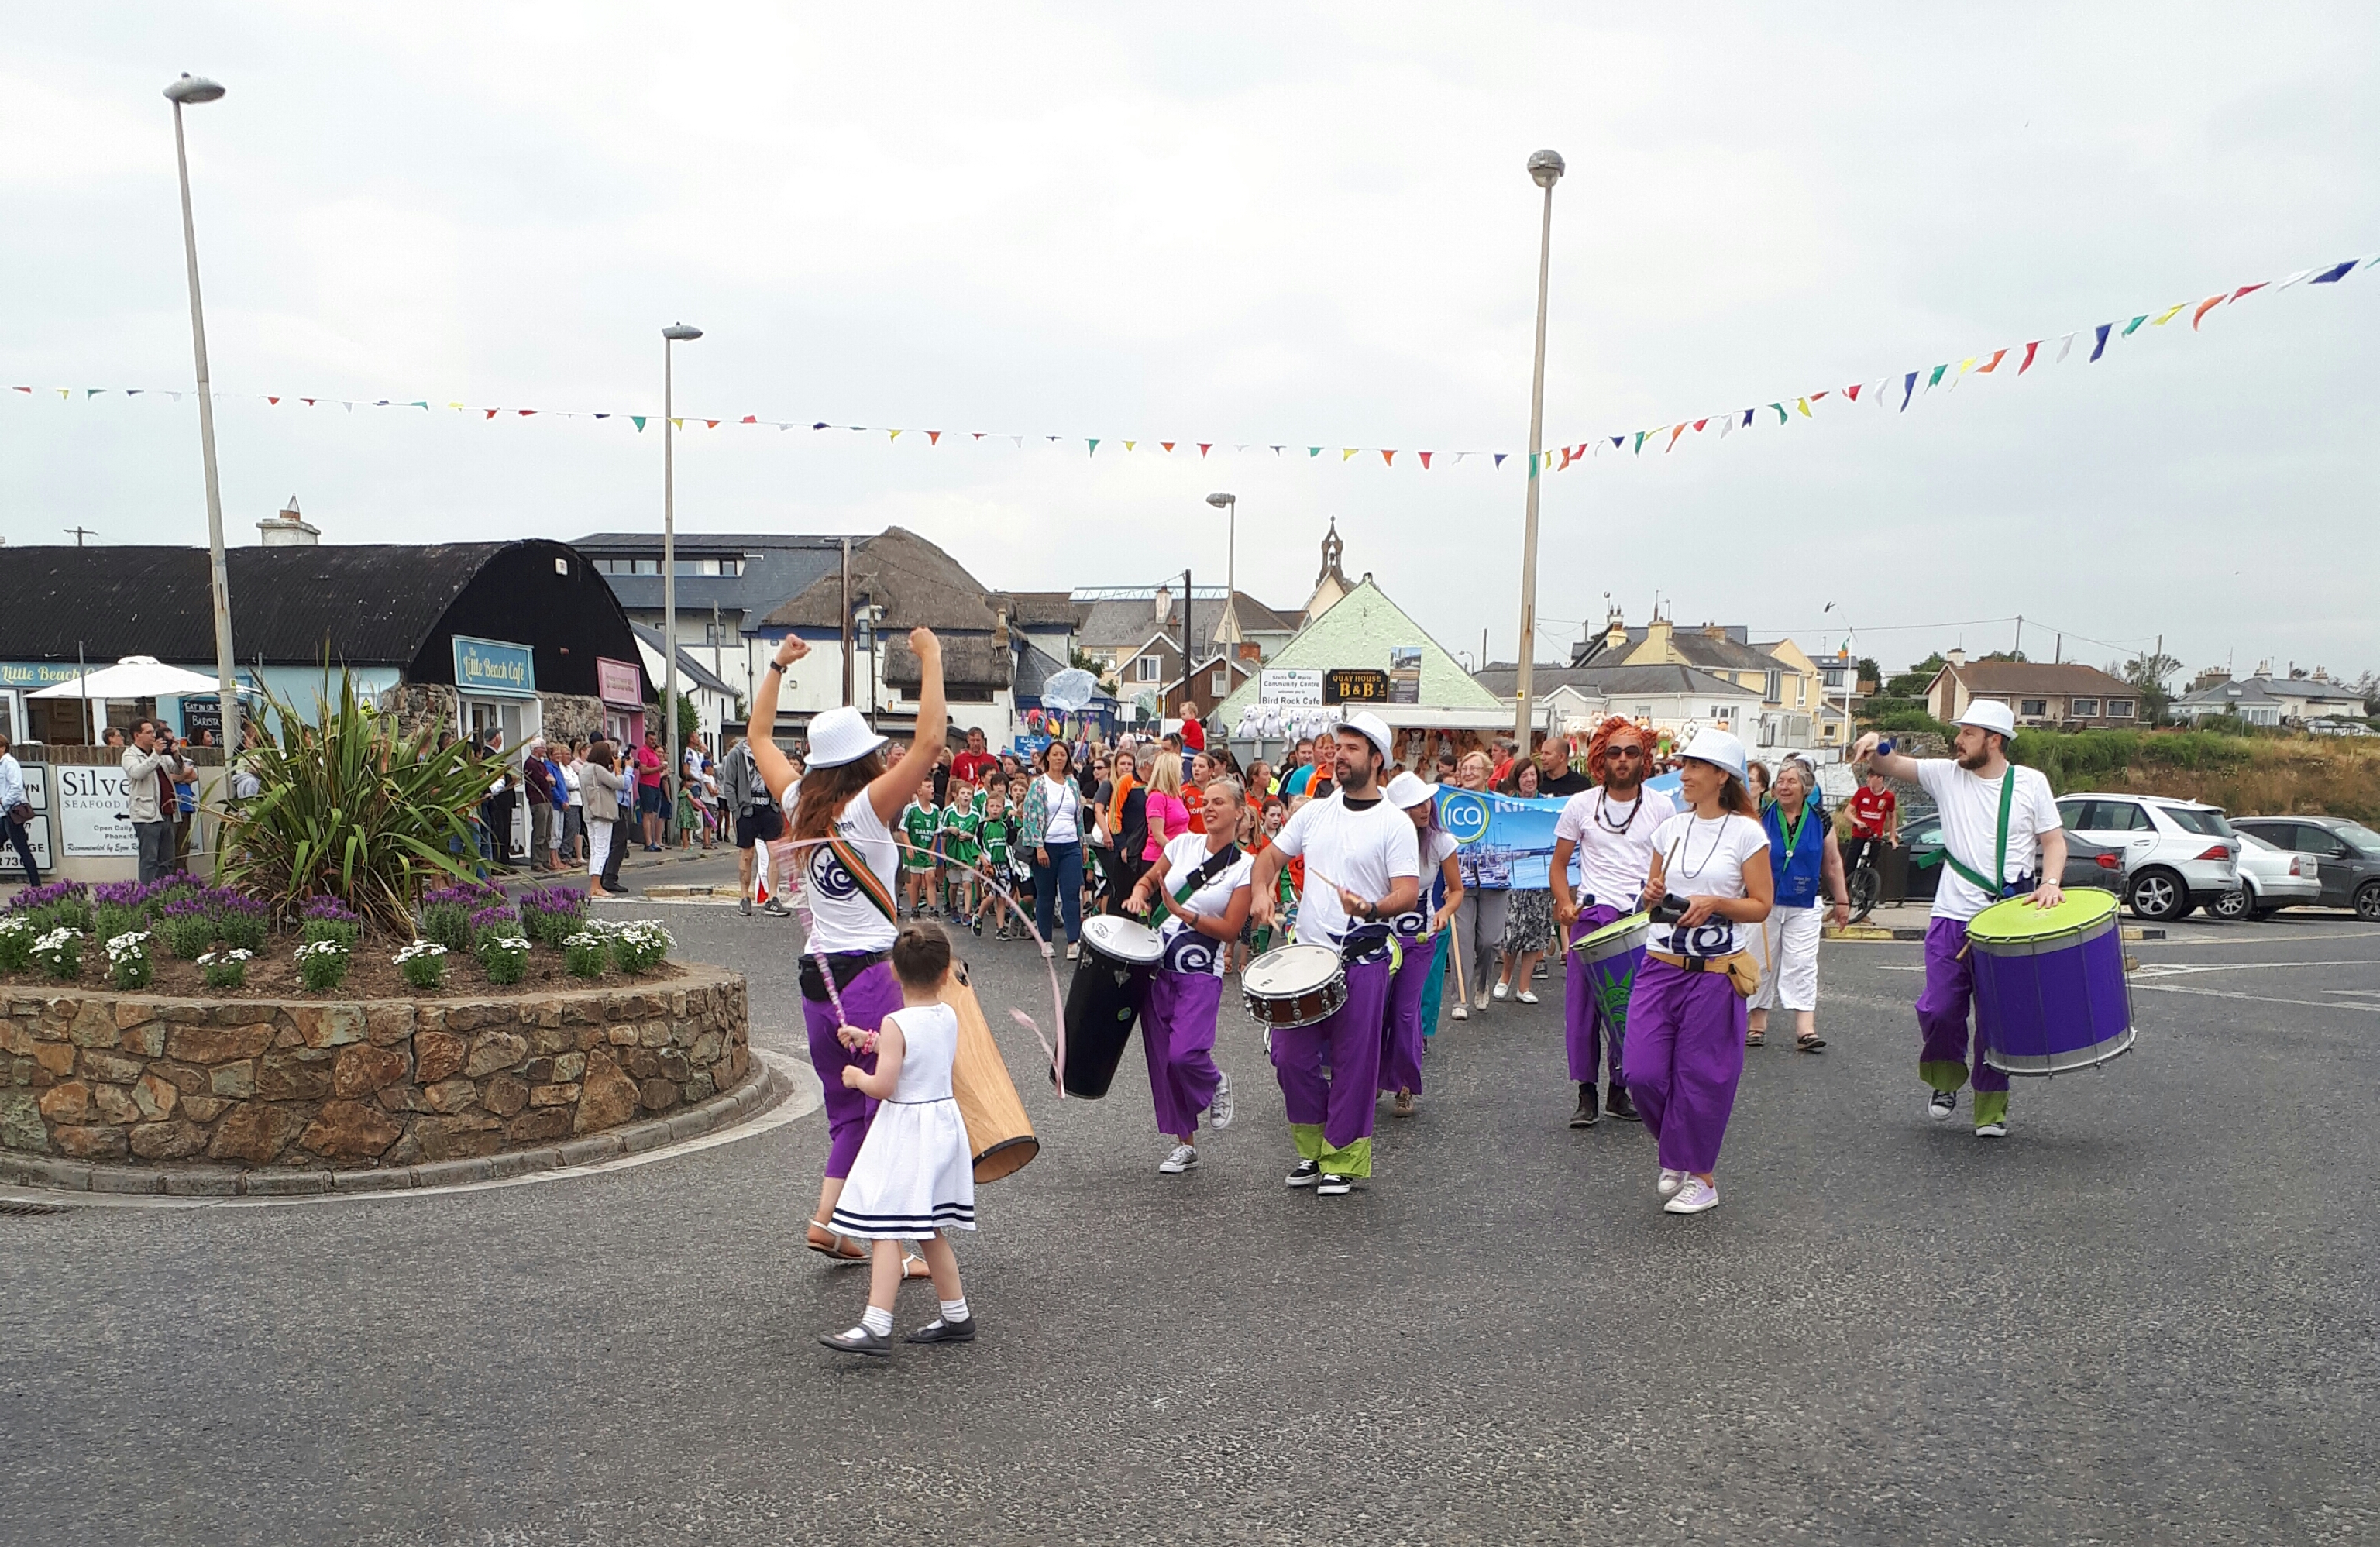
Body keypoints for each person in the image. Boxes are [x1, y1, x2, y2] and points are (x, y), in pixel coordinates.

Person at [748, 627, 947, 1276]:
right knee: (895, 1108)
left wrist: (777, 665)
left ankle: (826, 1221)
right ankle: (906, 1246)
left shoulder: (797, 802)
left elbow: (756, 739)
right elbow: (930, 744)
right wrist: (931, 658)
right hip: (871, 979)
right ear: (864, 756)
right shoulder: (865, 811)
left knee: (848, 1114)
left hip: (817, 981)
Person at [1853, 702, 2065, 1139]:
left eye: (1967, 733)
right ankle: (1946, 1081)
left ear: (1994, 739)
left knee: (1997, 1020)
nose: (1957, 741)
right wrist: (1875, 747)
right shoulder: (1946, 774)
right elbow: (1892, 762)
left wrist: (2051, 882)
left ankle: (1991, 1109)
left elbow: (2053, 841)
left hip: (2007, 920)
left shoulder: (2030, 783)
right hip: (1951, 915)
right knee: (1939, 1007)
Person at [1247, 711, 1420, 1197]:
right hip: (1308, 956)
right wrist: (1262, 891)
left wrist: (1370, 907)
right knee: (1288, 1056)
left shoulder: (1394, 824)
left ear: (1377, 759)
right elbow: (1269, 858)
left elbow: (1406, 893)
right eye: (1337, 746)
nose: (1338, 755)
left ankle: (1341, 1157)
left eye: (1351, 748)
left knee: (1353, 1061)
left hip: (1364, 956)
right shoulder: (1315, 812)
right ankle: (1313, 1147)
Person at [1622, 727, 1773, 1216]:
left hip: (1716, 971)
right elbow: (1654, 897)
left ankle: (1701, 1178)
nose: (1683, 774)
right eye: (1683, 766)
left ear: (1720, 776)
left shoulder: (1748, 833)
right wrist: (1650, 899)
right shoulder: (1670, 829)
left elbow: (1761, 906)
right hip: (1660, 963)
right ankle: (1676, 1146)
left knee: (1700, 1075)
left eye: (1694, 767)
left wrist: (1716, 904)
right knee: (1641, 1072)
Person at [818, 921, 981, 1356]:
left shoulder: (895, 1022)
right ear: (945, 972)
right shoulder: (946, 1014)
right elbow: (918, 1052)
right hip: (941, 1126)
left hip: (908, 1131)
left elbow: (886, 1085)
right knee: (927, 1229)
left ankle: (876, 1325)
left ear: (893, 971)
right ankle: (956, 1313)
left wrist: (855, 1076)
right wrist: (870, 1041)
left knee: (886, 1225)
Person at [1550, 717, 1676, 1128]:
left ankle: (1619, 1092)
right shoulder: (1580, 805)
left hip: (1640, 923)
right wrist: (1566, 903)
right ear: (1601, 758)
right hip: (1592, 918)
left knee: (1631, 1012)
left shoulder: (1661, 808)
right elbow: (1558, 864)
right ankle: (1585, 1094)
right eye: (1614, 753)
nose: (1622, 761)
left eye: (1631, 752)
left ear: (1646, 758)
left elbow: (1671, 868)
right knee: (1582, 1012)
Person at [1124, 775, 1250, 1174]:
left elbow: (1231, 930)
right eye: (1205, 802)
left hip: (1201, 972)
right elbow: (1150, 880)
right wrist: (1140, 893)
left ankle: (1213, 1081)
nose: (1209, 808)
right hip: (1157, 969)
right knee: (1164, 1061)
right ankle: (1185, 1144)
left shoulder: (1245, 868)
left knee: (1185, 1054)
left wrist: (1184, 914)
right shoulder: (1181, 845)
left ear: (1239, 812)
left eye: (1218, 803)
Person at [1748, 756, 1852, 1053]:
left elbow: (1832, 862)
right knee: (1760, 960)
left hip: (1806, 902)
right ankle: (1757, 1024)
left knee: (1803, 964)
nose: (1784, 786)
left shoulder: (1821, 820)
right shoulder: (1762, 816)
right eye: (1780, 781)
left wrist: (1842, 900)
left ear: (1805, 788)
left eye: (1791, 781)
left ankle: (1805, 1029)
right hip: (1765, 901)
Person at [1381, 772, 1463, 1118]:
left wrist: (1444, 912)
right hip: (1381, 939)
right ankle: (1366, 1080)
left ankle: (1405, 1086)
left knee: (1405, 1012)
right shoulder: (1382, 841)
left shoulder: (1441, 842)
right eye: (1415, 805)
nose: (1424, 808)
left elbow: (1457, 890)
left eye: (1426, 800)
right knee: (1374, 1012)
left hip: (1420, 939)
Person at [1445, 749, 1507, 1021]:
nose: (1468, 773)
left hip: (1495, 880)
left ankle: (1483, 983)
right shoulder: (1450, 803)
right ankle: (1461, 997)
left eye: (1474, 768)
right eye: (1464, 768)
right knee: (1462, 941)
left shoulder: (1501, 804)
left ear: (1488, 772)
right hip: (1460, 883)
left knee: (1489, 940)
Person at [1020, 741, 1088, 961]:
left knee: (1071, 894)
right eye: (1055, 754)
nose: (1059, 758)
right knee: (1045, 895)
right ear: (1047, 757)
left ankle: (1073, 941)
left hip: (1070, 845)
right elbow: (1030, 818)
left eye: (1063, 755)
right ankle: (1046, 940)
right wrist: (1039, 846)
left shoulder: (1073, 785)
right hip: (1047, 845)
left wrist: (1083, 843)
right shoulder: (1038, 785)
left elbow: (1078, 818)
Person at [1494, 760, 1553, 1005]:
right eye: (1525, 776)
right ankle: (1505, 977)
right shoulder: (1508, 806)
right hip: (1515, 873)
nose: (1530, 779)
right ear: (1516, 780)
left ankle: (1524, 986)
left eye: (1533, 775)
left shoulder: (1547, 804)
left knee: (1536, 929)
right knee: (1513, 928)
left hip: (1541, 873)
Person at [122, 720, 193, 884]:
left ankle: (164, 893)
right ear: (137, 735)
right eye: (148, 732)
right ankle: (146, 895)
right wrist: (156, 755)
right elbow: (138, 773)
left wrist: (175, 754)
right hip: (147, 816)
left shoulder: (160, 756)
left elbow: (178, 770)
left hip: (167, 814)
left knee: (167, 860)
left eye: (153, 732)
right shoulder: (130, 755)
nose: (153, 735)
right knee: (150, 860)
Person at [1101, 748, 1147, 914]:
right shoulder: (1126, 781)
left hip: (1147, 847)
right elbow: (1114, 814)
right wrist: (1121, 845)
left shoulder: (1155, 782)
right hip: (1128, 846)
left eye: (1130, 763)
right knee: (1121, 895)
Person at [583, 741, 630, 896]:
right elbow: (620, 784)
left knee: (595, 850)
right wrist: (618, 768)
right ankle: (596, 886)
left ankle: (594, 885)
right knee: (602, 850)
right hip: (602, 813)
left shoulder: (585, 769)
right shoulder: (598, 769)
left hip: (590, 813)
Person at [977, 786, 1018, 940]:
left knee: (1002, 897)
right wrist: (983, 860)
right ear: (987, 808)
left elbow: (1010, 844)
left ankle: (1000, 930)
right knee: (991, 896)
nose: (995, 809)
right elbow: (976, 846)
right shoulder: (982, 826)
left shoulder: (1005, 826)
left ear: (1002, 809)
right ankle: (979, 915)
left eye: (998, 807)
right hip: (988, 866)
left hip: (1003, 866)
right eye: (992, 806)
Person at [941, 776, 982, 930]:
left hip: (968, 854)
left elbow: (979, 835)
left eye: (969, 794)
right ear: (957, 796)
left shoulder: (976, 815)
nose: (966, 796)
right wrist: (950, 830)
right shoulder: (949, 812)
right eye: (963, 793)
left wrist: (970, 836)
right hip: (953, 853)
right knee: (953, 885)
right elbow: (941, 831)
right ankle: (952, 907)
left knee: (967, 883)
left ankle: (967, 913)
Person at [1845, 766, 1900, 876]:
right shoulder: (1861, 792)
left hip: (1875, 836)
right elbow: (1847, 812)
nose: (1868, 779)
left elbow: (1893, 817)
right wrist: (1857, 822)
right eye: (1868, 776)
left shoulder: (1889, 797)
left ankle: (1866, 889)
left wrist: (1892, 837)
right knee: (1849, 865)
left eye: (1871, 776)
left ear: (1880, 779)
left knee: (1871, 868)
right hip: (1859, 834)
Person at [898, 778, 941, 918]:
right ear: (920, 791)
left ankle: (933, 909)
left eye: (933, 786)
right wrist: (909, 847)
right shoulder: (910, 809)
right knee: (914, 881)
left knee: (931, 877)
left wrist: (933, 850)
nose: (932, 789)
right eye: (928, 786)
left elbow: (936, 832)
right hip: (914, 851)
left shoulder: (935, 810)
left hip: (928, 851)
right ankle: (914, 909)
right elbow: (903, 830)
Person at [0, 734, 38, 884]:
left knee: (22, 849)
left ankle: (36, 886)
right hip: (3, 814)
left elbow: (16, 787)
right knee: (22, 849)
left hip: (12, 813)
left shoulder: (9, 763)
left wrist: (3, 801)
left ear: (2, 748)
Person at [522, 738, 557, 871]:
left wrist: (549, 779)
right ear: (535, 749)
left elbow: (550, 778)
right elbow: (540, 781)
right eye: (542, 748)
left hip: (547, 799)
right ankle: (536, 861)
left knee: (547, 832)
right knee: (540, 832)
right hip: (538, 801)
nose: (545, 750)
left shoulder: (541, 764)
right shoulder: (530, 764)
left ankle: (545, 859)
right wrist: (547, 780)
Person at [635, 731, 666, 851]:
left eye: (655, 739)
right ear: (646, 739)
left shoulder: (653, 752)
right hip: (646, 785)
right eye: (651, 739)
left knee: (653, 814)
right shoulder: (643, 751)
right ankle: (648, 843)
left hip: (655, 785)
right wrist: (658, 768)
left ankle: (653, 841)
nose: (654, 741)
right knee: (647, 814)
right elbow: (643, 769)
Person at [1532, 733, 1591, 797]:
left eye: (1547, 753)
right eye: (1542, 753)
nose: (1542, 758)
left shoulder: (1581, 785)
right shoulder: (1535, 781)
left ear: (1561, 757)